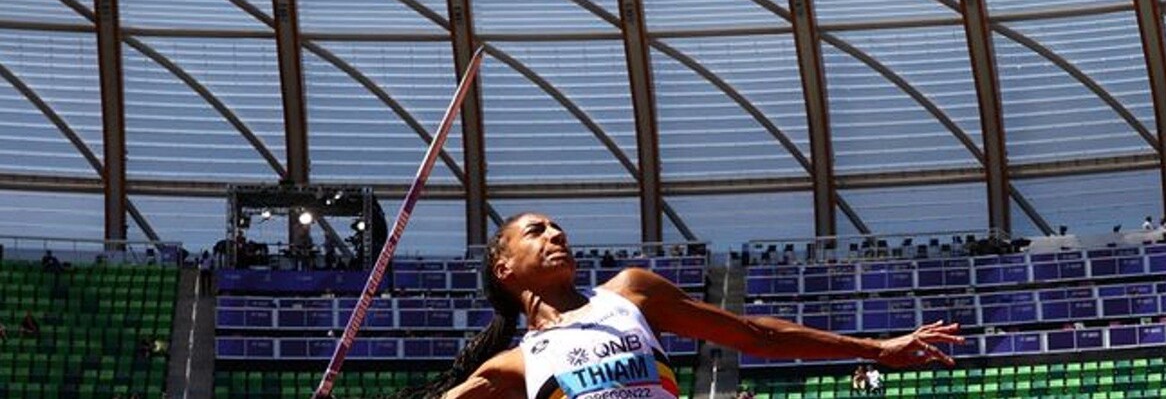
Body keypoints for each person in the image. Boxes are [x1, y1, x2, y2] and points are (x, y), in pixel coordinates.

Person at [384, 213, 960, 399]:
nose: (556, 235)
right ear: (503, 268)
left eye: (559, 228)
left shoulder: (629, 292)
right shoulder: (510, 367)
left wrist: (877, 349)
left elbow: (758, 336)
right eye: (536, 231)